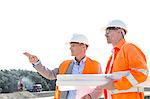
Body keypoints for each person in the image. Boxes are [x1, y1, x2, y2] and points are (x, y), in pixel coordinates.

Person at [23, 33, 102, 99]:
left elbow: (101, 87)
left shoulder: (95, 65)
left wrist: (90, 96)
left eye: (73, 45)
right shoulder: (65, 65)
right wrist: (37, 63)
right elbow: (50, 74)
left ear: (83, 46)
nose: (70, 48)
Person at [99, 19, 149, 99]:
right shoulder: (113, 56)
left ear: (120, 31)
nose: (106, 34)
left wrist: (116, 85)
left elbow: (141, 73)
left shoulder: (128, 48)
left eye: (108, 31)